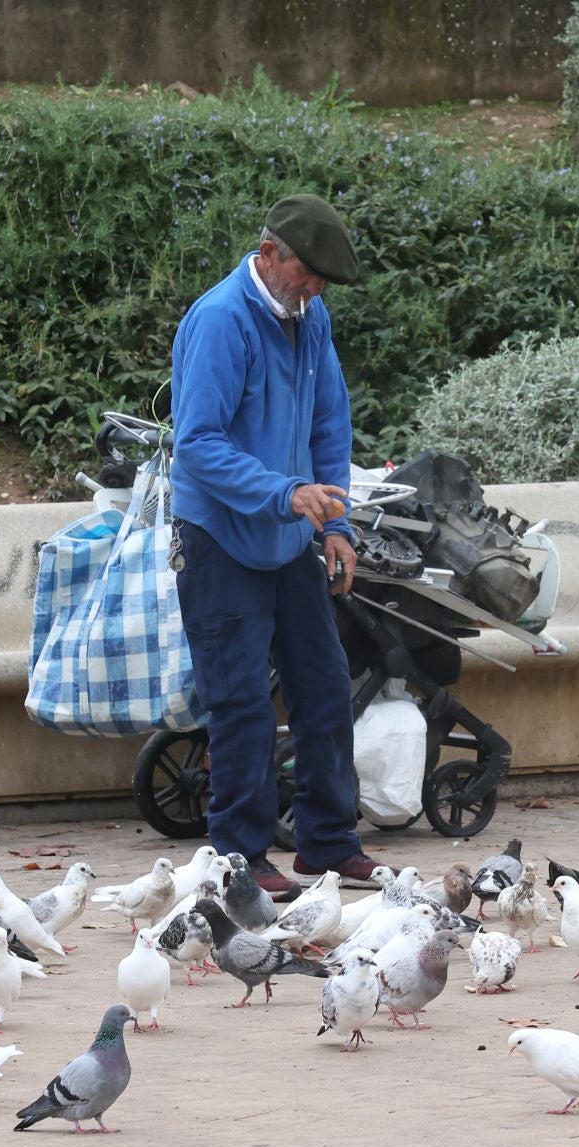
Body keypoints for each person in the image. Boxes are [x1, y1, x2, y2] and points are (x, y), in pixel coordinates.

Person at [168, 194, 385, 895]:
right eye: (309, 272)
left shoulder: (309, 317)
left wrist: (336, 524)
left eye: (324, 278)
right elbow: (197, 444)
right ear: (269, 255)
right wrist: (283, 493)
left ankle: (327, 843)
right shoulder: (221, 320)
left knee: (323, 690)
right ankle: (239, 857)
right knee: (240, 704)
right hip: (221, 539)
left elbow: (330, 423)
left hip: (291, 537)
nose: (317, 287)